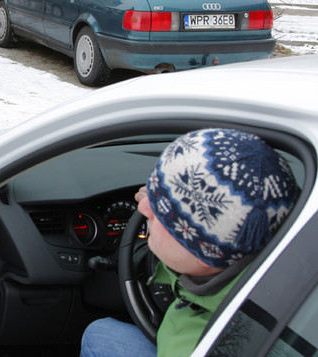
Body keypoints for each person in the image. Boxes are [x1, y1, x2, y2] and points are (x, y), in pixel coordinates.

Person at [80, 128, 299, 357]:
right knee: (101, 334)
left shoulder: (199, 345)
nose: (143, 208)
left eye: (162, 211)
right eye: (154, 193)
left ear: (204, 253)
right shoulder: (285, 249)